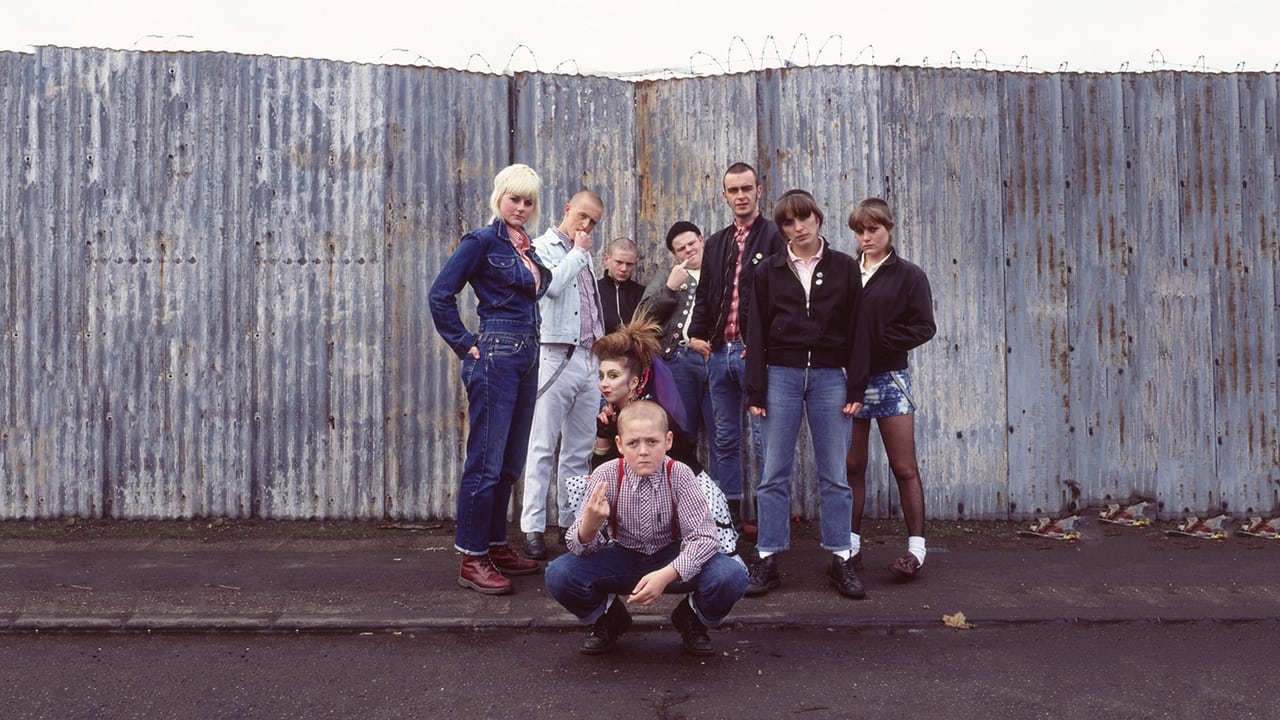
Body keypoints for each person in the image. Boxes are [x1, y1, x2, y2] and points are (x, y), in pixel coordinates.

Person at [427, 163, 549, 595]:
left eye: (528, 201)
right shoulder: (480, 241)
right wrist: (464, 343)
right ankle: (472, 557)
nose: (521, 207)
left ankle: (495, 544)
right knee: (485, 460)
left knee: (511, 461)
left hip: (527, 354)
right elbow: (441, 294)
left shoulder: (526, 247)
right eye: (514, 198)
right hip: (495, 353)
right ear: (499, 199)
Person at [545, 401, 749, 656]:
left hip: (671, 556)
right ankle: (609, 618)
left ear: (668, 441)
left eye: (652, 442)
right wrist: (589, 526)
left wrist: (667, 574)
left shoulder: (680, 475)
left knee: (732, 575)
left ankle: (692, 618)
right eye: (633, 443)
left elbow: (704, 538)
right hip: (622, 558)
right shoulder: (605, 475)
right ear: (619, 445)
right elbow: (578, 547)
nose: (643, 451)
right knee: (559, 573)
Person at [744, 189, 868, 599]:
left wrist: (856, 385)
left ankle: (841, 558)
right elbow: (756, 329)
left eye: (804, 219)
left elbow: (858, 329)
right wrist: (756, 388)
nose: (798, 228)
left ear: (817, 218)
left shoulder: (846, 268)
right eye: (788, 223)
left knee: (834, 472)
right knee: (774, 470)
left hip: (831, 376)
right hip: (780, 375)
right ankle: (767, 557)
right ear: (781, 228)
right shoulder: (768, 270)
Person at [687, 163, 784, 536]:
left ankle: (764, 520)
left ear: (759, 191)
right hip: (718, 354)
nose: (741, 195)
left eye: (747, 188)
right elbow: (705, 294)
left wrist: (765, 346)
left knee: (763, 441)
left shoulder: (775, 238)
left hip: (753, 356)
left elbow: (782, 300)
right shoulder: (716, 241)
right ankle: (728, 519)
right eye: (734, 190)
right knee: (725, 441)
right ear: (724, 195)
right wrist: (698, 335)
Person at [845, 198, 936, 581]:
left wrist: (877, 340)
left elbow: (923, 327)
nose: (866, 237)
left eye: (873, 230)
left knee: (904, 466)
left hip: (890, 380)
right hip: (851, 381)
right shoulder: (846, 273)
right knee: (852, 465)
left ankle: (917, 549)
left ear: (889, 229)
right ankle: (848, 546)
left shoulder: (909, 275)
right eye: (860, 231)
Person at [519, 191, 607, 560]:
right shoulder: (542, 247)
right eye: (582, 216)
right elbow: (550, 287)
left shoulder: (582, 255)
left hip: (588, 357)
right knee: (542, 445)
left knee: (579, 448)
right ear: (567, 209)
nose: (586, 225)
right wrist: (579, 253)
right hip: (555, 354)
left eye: (593, 222)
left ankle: (571, 521)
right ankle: (533, 527)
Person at [637, 221, 712, 454]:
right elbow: (642, 317)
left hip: (718, 359)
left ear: (702, 240)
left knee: (723, 434)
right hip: (679, 359)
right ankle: (680, 488)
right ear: (674, 254)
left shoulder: (721, 272)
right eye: (681, 248)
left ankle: (723, 492)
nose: (689, 249)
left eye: (692, 243)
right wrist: (669, 288)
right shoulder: (666, 276)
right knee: (681, 431)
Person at [597, 236, 646, 332]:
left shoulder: (642, 293)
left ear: (635, 264)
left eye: (629, 264)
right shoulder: (593, 290)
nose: (624, 269)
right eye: (619, 262)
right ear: (606, 259)